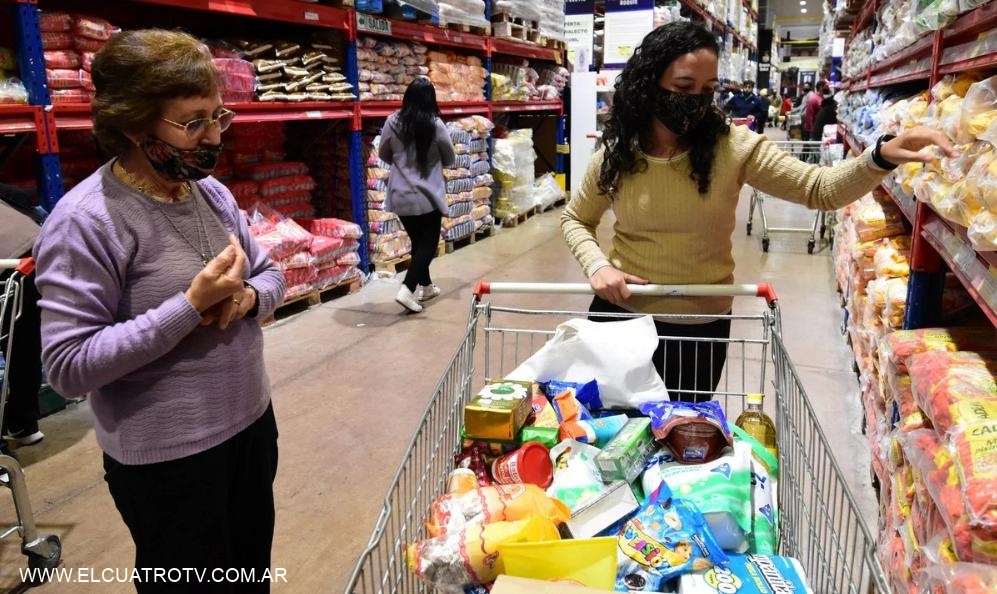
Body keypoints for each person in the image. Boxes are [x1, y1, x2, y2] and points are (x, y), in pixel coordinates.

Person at [560, 22, 955, 402]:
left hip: (698, 331)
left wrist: (878, 158)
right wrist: (598, 265)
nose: (696, 100)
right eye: (683, 87)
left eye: (707, 89)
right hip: (620, 319)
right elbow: (576, 218)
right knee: (610, 432)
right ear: (650, 84)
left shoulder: (734, 148)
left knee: (681, 435)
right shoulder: (619, 153)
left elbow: (820, 189)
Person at [33, 30, 284, 593]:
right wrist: (189, 306)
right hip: (167, 461)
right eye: (192, 123)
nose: (213, 136)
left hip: (249, 428)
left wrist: (247, 300)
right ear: (132, 124)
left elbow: (272, 274)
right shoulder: (86, 222)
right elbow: (68, 366)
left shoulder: (209, 193)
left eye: (217, 116)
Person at [378, 78, 456, 314]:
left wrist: (402, 161)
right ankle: (407, 288)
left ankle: (427, 286)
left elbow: (384, 153)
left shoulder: (392, 121)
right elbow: (450, 158)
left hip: (400, 195)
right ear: (431, 100)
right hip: (427, 196)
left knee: (418, 243)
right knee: (428, 245)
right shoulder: (435, 124)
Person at [0, 184, 45, 449]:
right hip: (32, 251)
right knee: (24, 345)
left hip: (8, 260)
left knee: (21, 343)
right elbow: (21, 198)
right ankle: (24, 423)